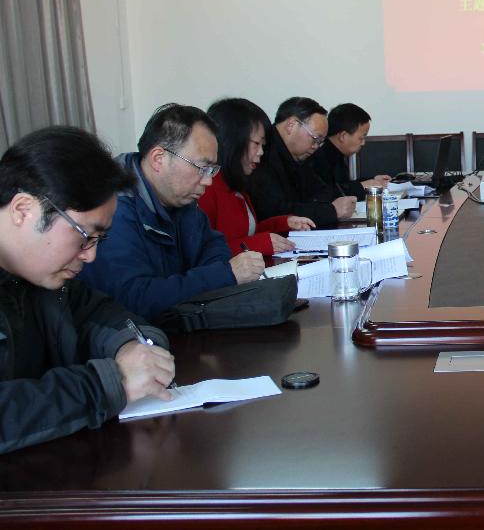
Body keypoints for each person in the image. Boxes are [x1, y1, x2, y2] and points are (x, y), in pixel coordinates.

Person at [0, 126, 176, 454]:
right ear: (24, 210)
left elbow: (105, 315)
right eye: (85, 236)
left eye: (98, 240)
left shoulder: (47, 279)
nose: (90, 255)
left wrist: (132, 349)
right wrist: (110, 383)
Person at [79, 104, 265, 320]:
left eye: (212, 170)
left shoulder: (181, 199)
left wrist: (203, 279)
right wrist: (224, 275)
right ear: (159, 158)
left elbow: (214, 246)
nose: (208, 181)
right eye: (202, 168)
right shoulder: (113, 209)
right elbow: (134, 299)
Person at [199, 98, 315, 256]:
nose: (261, 152)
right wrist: (259, 244)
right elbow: (204, 252)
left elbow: (248, 233)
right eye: (256, 144)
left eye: (263, 146)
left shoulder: (237, 182)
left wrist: (284, 223)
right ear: (233, 140)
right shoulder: (206, 187)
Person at [249, 97, 356, 226]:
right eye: (315, 138)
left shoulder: (299, 155)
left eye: (320, 142)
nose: (316, 146)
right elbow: (274, 211)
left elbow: (321, 191)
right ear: (291, 125)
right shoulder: (262, 154)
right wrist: (331, 211)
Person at [309, 103, 391, 201]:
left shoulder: (336, 153)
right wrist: (361, 186)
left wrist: (373, 180)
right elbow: (329, 194)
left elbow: (344, 184)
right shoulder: (319, 157)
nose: (363, 143)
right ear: (343, 136)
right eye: (361, 138)